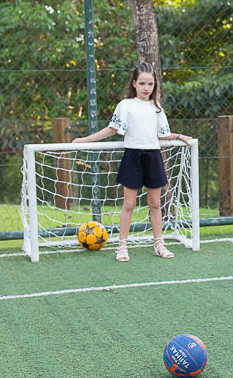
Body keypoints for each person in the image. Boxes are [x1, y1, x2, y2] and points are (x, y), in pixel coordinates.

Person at [73, 62, 192, 262]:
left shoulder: (156, 108)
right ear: (134, 83)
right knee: (129, 204)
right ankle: (122, 246)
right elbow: (112, 129)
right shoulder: (125, 105)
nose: (146, 88)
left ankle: (159, 244)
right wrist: (84, 140)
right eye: (142, 83)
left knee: (155, 203)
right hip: (133, 157)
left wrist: (180, 136)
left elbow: (163, 134)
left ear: (154, 85)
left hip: (153, 158)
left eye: (150, 84)